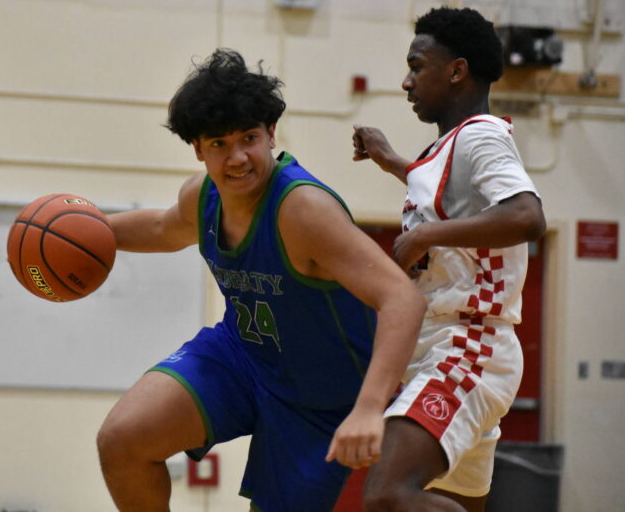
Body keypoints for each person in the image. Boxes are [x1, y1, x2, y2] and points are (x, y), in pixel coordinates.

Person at [96, 49, 426, 512]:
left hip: (320, 397)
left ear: (272, 133)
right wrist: (85, 232)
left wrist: (370, 408)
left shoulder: (304, 210)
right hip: (242, 357)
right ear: (197, 148)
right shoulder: (202, 196)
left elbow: (402, 300)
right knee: (123, 439)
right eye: (218, 144)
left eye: (249, 138)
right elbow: (161, 228)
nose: (237, 158)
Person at [351, 7, 547, 512]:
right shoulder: (449, 144)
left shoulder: (481, 135)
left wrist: (427, 236)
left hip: (468, 347)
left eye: (417, 66)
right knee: (439, 499)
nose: (406, 81)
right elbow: (444, 193)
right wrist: (391, 159)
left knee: (387, 496)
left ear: (457, 70)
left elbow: (527, 216)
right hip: (446, 345)